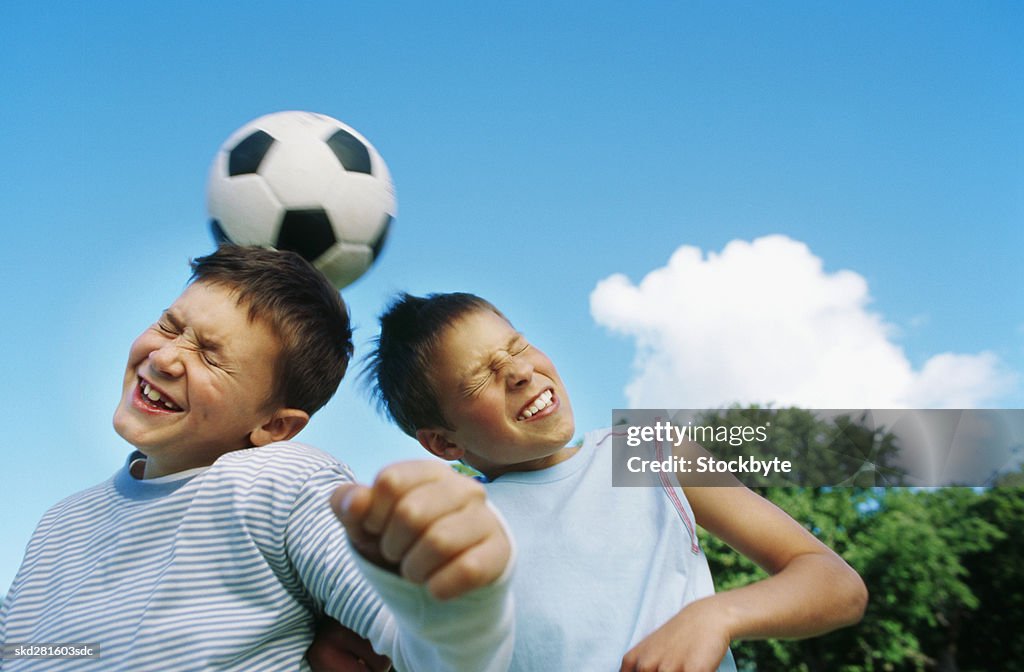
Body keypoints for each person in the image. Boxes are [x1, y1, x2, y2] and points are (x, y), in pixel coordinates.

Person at [0, 248, 514, 671]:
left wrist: (464, 605)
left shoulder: (280, 482)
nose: (164, 356)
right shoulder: (59, 523)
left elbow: (419, 646)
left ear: (275, 427)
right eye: (168, 325)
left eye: (210, 355)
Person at [364, 291, 869, 672]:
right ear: (444, 444)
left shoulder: (646, 450)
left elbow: (836, 584)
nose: (518, 372)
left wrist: (715, 615)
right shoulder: (456, 525)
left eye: (517, 346)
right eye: (480, 377)